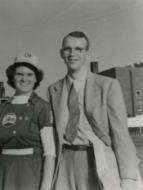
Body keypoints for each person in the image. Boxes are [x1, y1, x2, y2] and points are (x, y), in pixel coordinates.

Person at [48, 31, 139, 190]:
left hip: (97, 158)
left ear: (87, 54)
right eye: (67, 49)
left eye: (79, 49)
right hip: (65, 161)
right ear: (61, 53)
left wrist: (128, 177)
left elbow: (121, 133)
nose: (72, 54)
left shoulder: (108, 85)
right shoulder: (53, 90)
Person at [0, 52, 56, 190]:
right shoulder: (1, 109)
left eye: (29, 74)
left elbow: (50, 152)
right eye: (19, 74)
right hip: (2, 173)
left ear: (36, 79)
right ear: (12, 77)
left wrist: (45, 187)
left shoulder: (42, 107)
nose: (24, 79)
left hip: (30, 174)